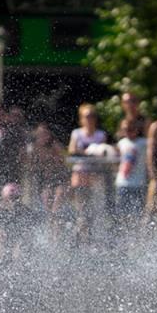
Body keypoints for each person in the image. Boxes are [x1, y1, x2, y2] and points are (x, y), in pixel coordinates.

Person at [68, 103, 108, 244]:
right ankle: (79, 238)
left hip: (95, 177)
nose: (90, 119)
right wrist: (88, 152)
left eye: (92, 116)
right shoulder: (77, 133)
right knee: (81, 211)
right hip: (80, 177)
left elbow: (104, 153)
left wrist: (93, 154)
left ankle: (93, 239)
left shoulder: (100, 134)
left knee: (95, 210)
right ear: (81, 118)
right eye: (87, 116)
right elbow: (72, 150)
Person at [114, 116, 148, 222]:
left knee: (138, 213)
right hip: (122, 182)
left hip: (138, 183)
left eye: (131, 129)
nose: (128, 132)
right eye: (125, 129)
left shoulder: (143, 142)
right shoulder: (121, 143)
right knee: (121, 213)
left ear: (137, 129)